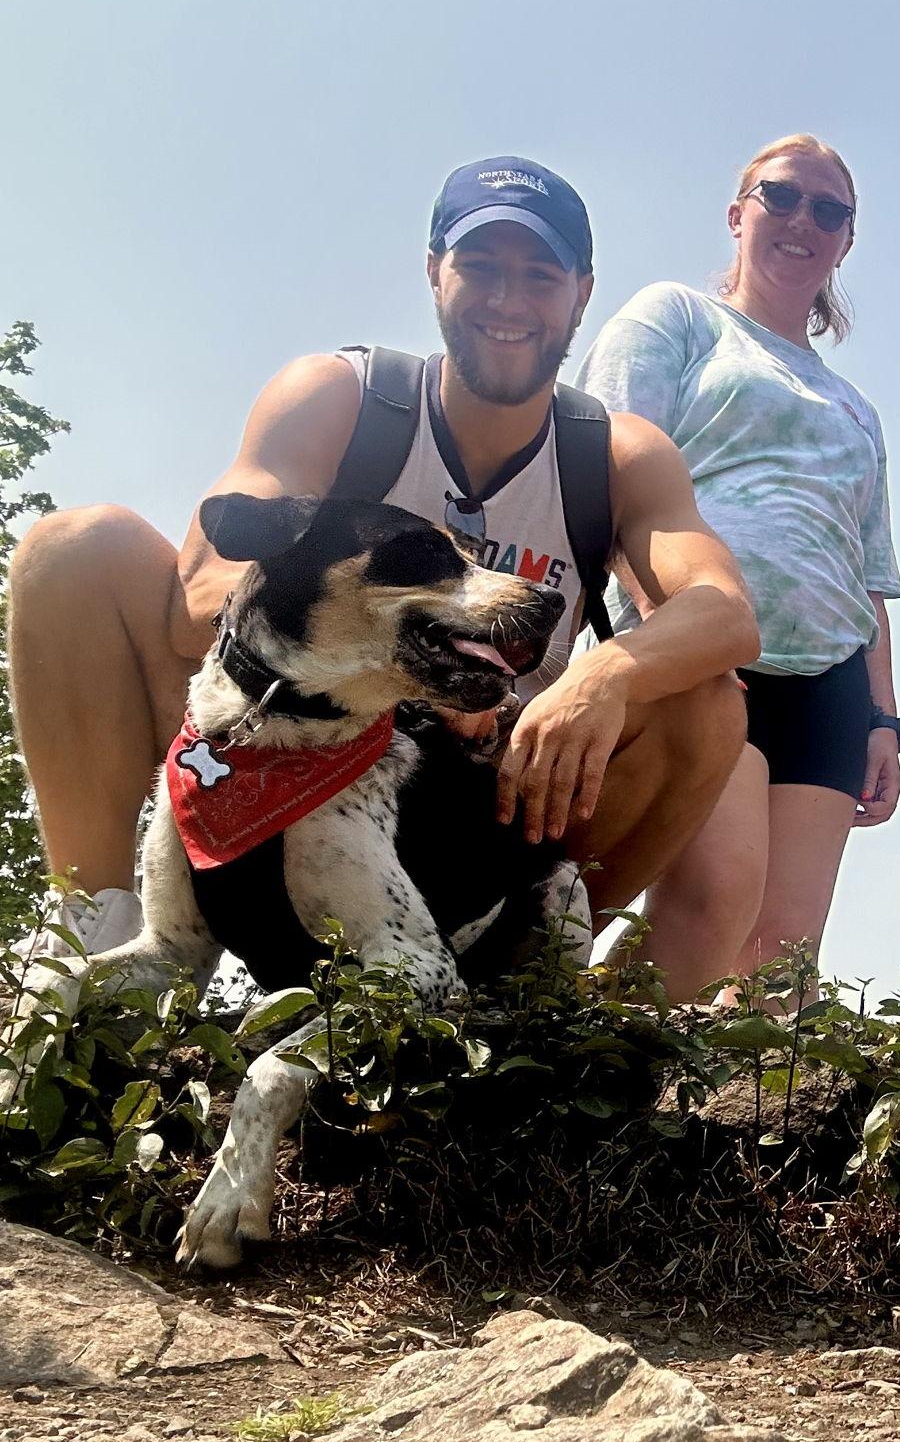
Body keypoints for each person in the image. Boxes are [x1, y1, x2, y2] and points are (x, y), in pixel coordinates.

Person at [9, 157, 757, 982]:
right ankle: (92, 929)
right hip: (289, 742)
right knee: (77, 547)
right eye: (480, 268)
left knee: (707, 707)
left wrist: (603, 674)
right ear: (435, 272)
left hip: (478, 803)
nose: (508, 302)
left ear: (582, 292)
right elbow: (204, 597)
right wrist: (405, 671)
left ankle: (521, 973)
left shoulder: (613, 455)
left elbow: (724, 612)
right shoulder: (341, 397)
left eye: (539, 276)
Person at [576, 136, 900, 993]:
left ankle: (724, 1128)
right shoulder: (675, 318)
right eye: (781, 197)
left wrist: (884, 718)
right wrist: (668, 628)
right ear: (737, 213)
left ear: (846, 240)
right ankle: (604, 1085)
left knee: (781, 961)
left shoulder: (857, 408)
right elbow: (606, 469)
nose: (803, 221)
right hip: (696, 646)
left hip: (830, 678)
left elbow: (867, 571)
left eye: (828, 211)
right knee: (714, 897)